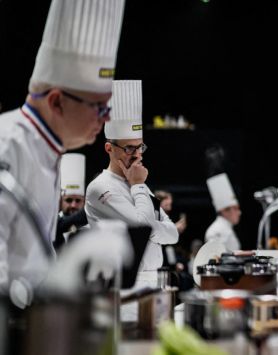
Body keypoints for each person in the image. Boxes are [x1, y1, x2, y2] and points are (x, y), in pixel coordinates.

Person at [0, 0, 125, 305]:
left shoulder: (47, 149)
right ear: (56, 102)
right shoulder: (7, 144)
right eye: (98, 107)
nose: (106, 117)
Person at [85, 80, 179, 296]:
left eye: (140, 147)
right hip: (120, 286)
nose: (137, 155)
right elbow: (142, 226)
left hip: (154, 280)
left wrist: (151, 229)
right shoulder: (99, 188)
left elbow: (173, 234)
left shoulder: (141, 188)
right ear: (109, 148)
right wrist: (138, 185)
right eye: (129, 148)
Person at [54, 153, 89, 250]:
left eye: (78, 200)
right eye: (68, 200)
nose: (73, 205)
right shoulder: (53, 225)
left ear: (85, 201)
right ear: (60, 201)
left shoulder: (92, 229)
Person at [204, 173, 241, 251]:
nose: (239, 212)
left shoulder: (226, 228)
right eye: (235, 208)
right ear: (224, 211)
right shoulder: (216, 231)